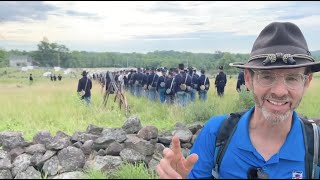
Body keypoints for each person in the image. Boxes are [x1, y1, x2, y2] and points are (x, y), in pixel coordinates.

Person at [156, 22, 320, 179]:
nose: (279, 91)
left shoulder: (316, 145)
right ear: (248, 79)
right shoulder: (217, 134)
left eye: (292, 78)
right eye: (267, 77)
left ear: (306, 82)